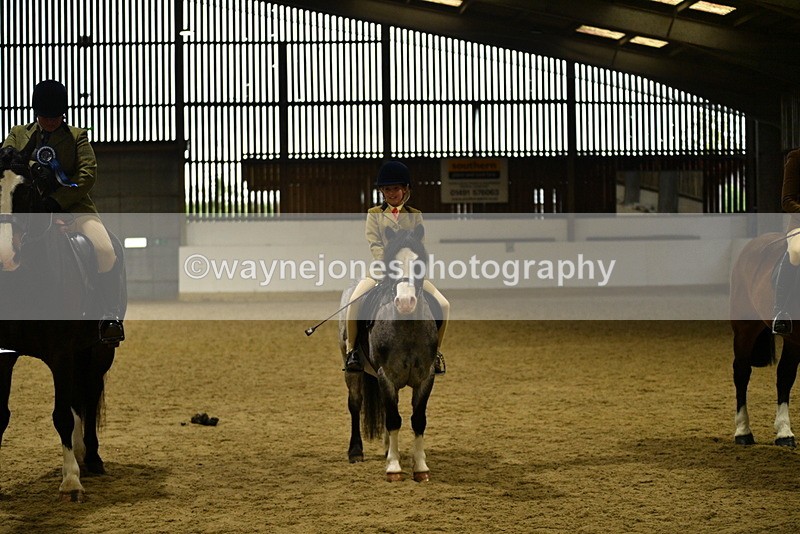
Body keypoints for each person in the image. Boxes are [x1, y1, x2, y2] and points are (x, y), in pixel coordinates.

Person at [2, 80, 125, 344]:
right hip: (26, 214)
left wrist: (56, 202)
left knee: (105, 249)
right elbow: (6, 164)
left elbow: (87, 174)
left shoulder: (76, 136)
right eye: (45, 117)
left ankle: (109, 315)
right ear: (36, 112)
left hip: (74, 209)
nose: (49, 122)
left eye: (55, 117)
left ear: (63, 113)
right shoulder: (18, 134)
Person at [344, 161, 449, 374]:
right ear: (382, 191)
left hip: (410, 271)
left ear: (406, 189)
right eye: (387, 189)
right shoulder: (374, 214)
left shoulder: (415, 214)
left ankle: (435, 352)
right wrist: (389, 266)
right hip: (381, 269)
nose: (392, 193)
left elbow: (418, 245)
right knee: (354, 302)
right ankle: (352, 351)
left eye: (396, 188)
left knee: (444, 305)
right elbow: (374, 243)